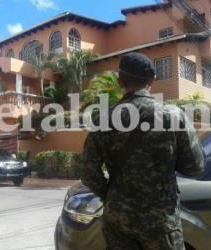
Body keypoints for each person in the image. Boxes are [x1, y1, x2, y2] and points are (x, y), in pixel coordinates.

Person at [81, 52, 206, 250]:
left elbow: (88, 174)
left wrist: (113, 195)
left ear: (120, 81)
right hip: (160, 219)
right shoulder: (172, 115)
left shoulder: (103, 120)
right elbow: (196, 168)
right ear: (152, 80)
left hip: (118, 219)